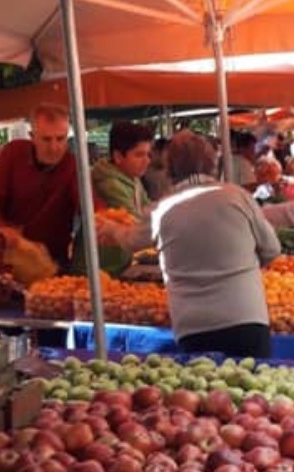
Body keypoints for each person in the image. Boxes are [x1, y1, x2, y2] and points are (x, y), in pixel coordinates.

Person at [99, 130, 281, 358]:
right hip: (246, 316)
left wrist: (111, 229)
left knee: (202, 381)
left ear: (169, 168)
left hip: (193, 325)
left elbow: (131, 240)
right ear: (212, 163)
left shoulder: (162, 209)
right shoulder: (238, 197)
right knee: (255, 380)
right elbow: (272, 249)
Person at [0, 103, 80, 268]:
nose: (54, 147)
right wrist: (0, 227)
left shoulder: (73, 166)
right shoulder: (13, 153)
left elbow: (88, 205)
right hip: (6, 258)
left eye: (60, 139)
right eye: (46, 139)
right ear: (32, 137)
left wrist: (105, 220)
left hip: (51, 264)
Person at [89, 121, 153, 276]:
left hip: (119, 264)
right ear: (118, 156)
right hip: (99, 271)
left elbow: (149, 211)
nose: (147, 161)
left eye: (148, 154)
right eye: (139, 155)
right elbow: (137, 224)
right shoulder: (109, 183)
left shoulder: (133, 178)